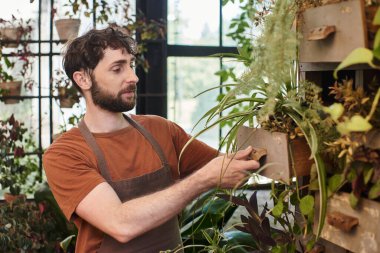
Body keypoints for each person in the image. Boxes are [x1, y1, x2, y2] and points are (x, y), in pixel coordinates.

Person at [42, 26, 260, 253]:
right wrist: (202, 180)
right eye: (118, 69)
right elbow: (121, 224)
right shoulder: (64, 153)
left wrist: (279, 124)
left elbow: (232, 169)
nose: (133, 77)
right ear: (83, 79)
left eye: (131, 65)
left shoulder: (161, 130)